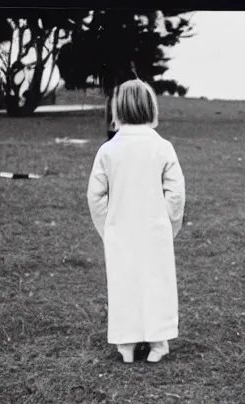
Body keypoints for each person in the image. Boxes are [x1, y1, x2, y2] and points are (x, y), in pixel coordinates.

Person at [87, 79, 185, 364]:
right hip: (155, 228)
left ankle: (126, 343)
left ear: (118, 109)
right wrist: (169, 224)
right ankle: (158, 342)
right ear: (150, 107)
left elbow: (95, 195)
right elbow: (176, 193)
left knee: (123, 280)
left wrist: (108, 227)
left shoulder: (108, 150)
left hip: (120, 230)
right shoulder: (162, 147)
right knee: (157, 281)